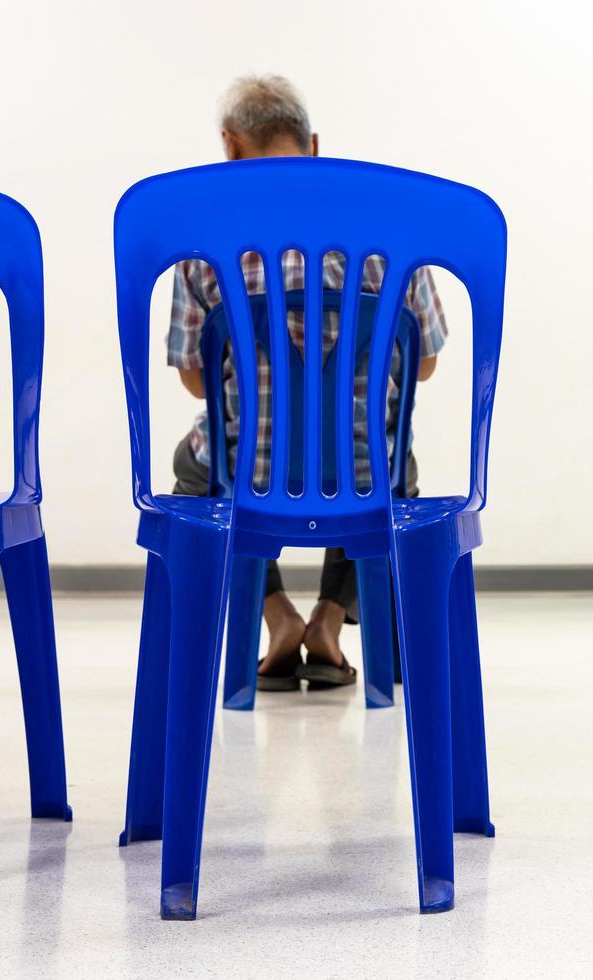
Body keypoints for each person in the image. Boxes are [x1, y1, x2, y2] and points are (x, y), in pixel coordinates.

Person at [166, 75, 448, 691]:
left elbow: (195, 383)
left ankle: (275, 618)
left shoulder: (202, 240)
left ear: (230, 146)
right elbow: (424, 364)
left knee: (196, 467)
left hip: (250, 474)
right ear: (313, 143)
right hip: (365, 474)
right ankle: (328, 623)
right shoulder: (389, 227)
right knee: (380, 456)